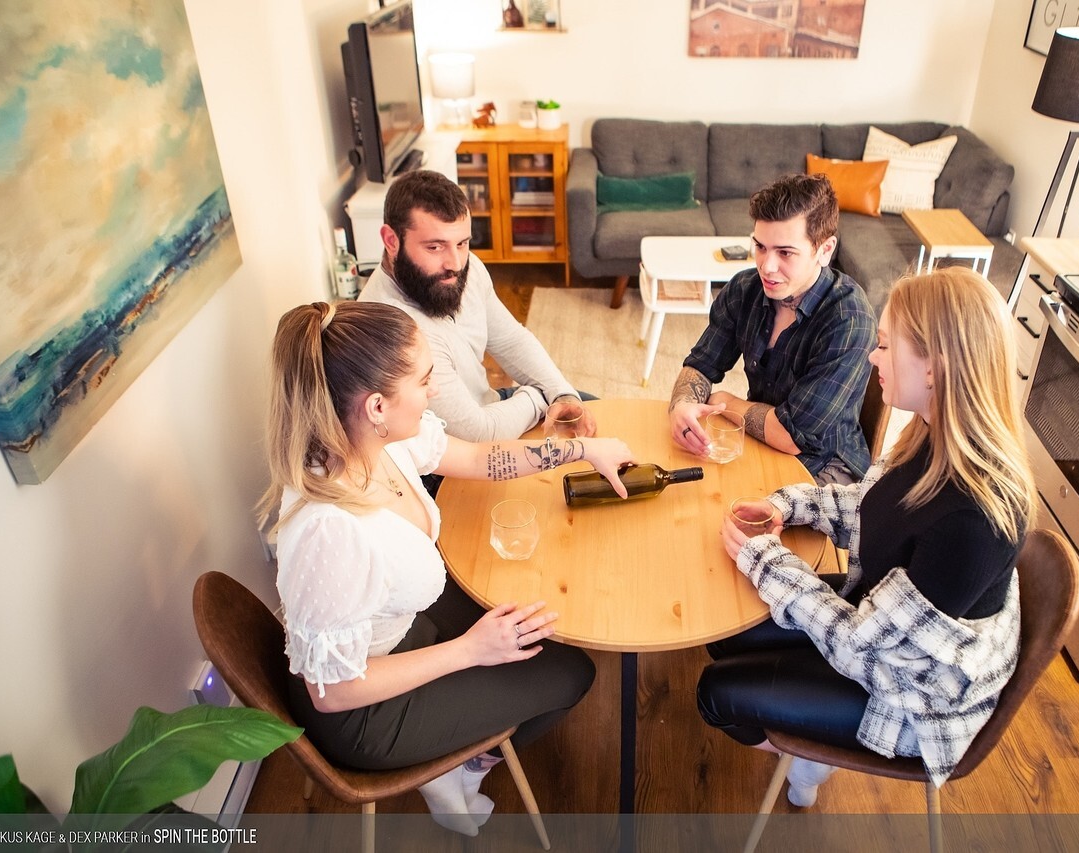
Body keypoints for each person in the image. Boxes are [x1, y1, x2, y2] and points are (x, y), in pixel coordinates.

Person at [258, 300, 634, 836]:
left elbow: (481, 459)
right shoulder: (330, 531)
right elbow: (333, 692)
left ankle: (460, 754)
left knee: (553, 623)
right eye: (424, 380)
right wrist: (470, 651)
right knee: (571, 674)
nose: (435, 390)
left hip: (404, 626)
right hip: (365, 709)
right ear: (376, 406)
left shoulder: (384, 440)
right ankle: (459, 762)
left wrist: (579, 448)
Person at [696, 267, 1036, 806]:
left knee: (715, 693)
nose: (872, 358)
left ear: (934, 367)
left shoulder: (975, 521)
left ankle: (810, 759)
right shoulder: (930, 433)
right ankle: (806, 728)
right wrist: (788, 504)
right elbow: (873, 510)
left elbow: (861, 647)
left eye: (884, 346)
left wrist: (767, 563)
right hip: (882, 624)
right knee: (718, 629)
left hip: (909, 700)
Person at [668, 173, 876, 484]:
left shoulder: (849, 320)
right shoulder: (745, 289)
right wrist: (682, 405)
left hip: (827, 466)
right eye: (761, 247)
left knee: (733, 519)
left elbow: (793, 436)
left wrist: (723, 401)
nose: (767, 266)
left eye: (785, 252)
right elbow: (700, 365)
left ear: (825, 249)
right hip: (763, 441)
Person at [358, 169, 594, 442]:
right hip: (457, 453)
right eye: (435, 247)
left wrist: (560, 393)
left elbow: (510, 339)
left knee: (591, 414)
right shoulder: (390, 329)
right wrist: (540, 396)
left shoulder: (461, 269)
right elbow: (477, 433)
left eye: (462, 243)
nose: (455, 264)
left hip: (492, 409)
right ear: (391, 241)